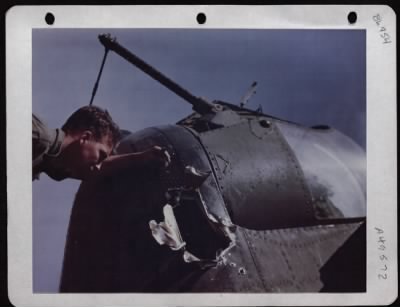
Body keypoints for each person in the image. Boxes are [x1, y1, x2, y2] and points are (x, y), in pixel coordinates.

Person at [33, 105, 170, 181]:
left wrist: (140, 157)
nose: (98, 167)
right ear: (85, 137)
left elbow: (101, 167)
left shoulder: (53, 161)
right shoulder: (37, 136)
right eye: (101, 155)